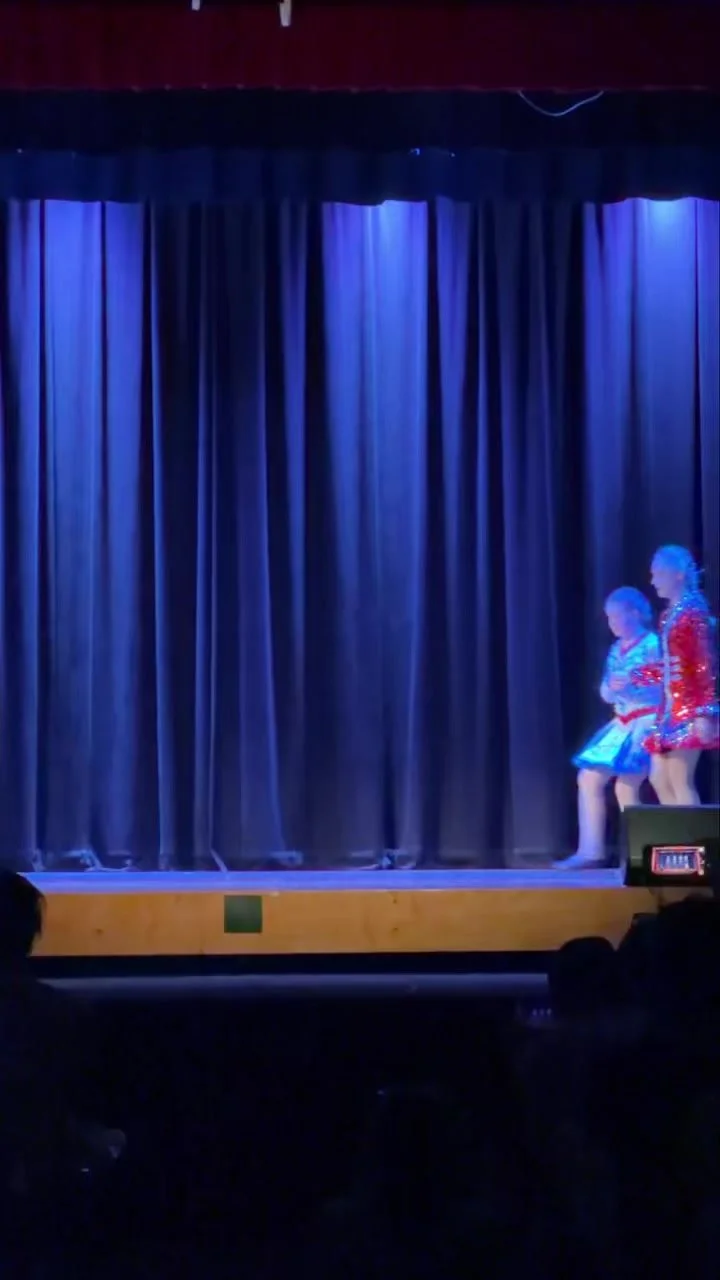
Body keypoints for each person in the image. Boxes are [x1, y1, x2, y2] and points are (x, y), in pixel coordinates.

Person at [556, 587, 661, 869]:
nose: (612, 623)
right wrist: (612, 688)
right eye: (609, 618)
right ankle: (591, 851)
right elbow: (607, 691)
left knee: (627, 785)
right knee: (589, 778)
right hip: (623, 721)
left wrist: (633, 680)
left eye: (617, 616)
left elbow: (664, 678)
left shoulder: (652, 644)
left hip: (647, 721)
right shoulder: (616, 649)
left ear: (635, 613)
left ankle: (636, 855)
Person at [642, 545, 719, 805]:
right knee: (658, 778)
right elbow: (673, 665)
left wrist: (704, 712)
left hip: (689, 707)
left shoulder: (693, 611)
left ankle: (691, 831)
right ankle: (675, 829)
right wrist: (642, 674)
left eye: (658, 574)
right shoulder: (668, 615)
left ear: (678, 574)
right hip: (669, 709)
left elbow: (703, 664)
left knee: (679, 778)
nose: (653, 581)